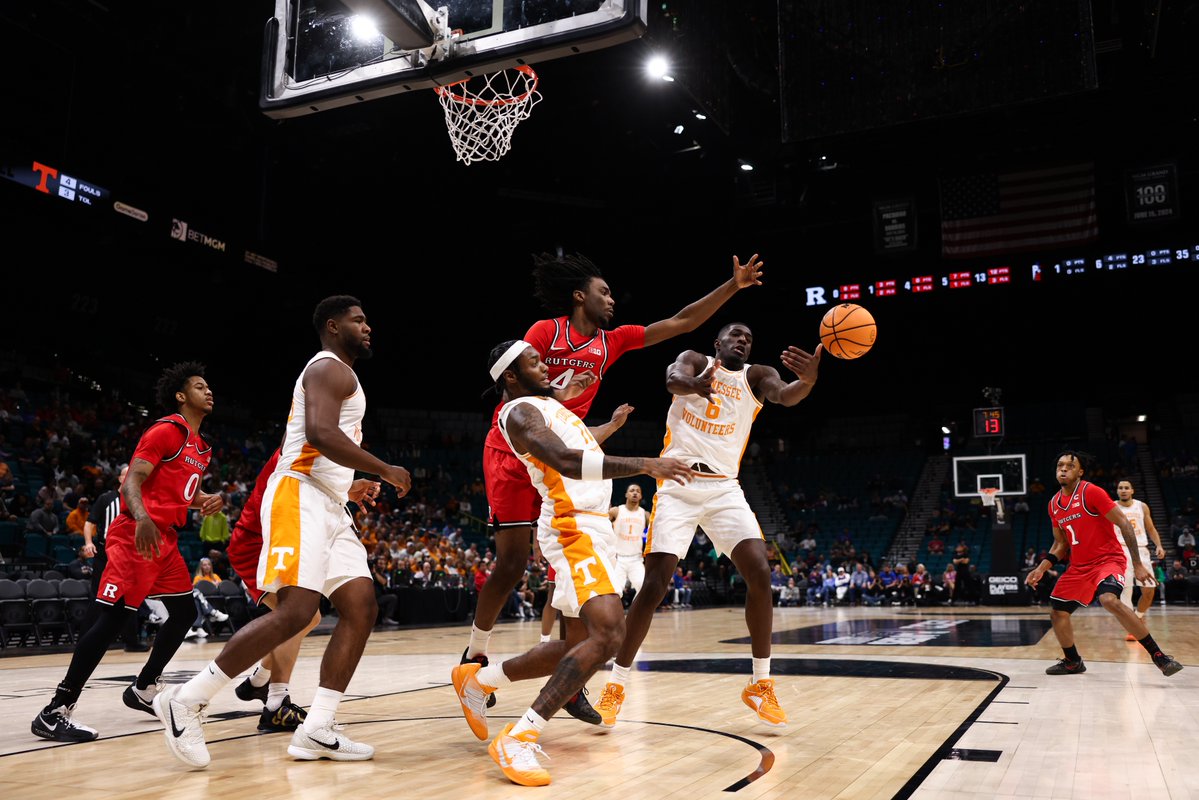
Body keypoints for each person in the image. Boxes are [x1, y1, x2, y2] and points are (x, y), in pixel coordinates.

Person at [464, 250, 764, 722]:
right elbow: (519, 383)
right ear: (579, 296)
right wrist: (558, 397)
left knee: (584, 621)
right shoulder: (545, 334)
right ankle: (475, 655)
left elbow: (681, 321)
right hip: (526, 446)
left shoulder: (612, 341)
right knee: (512, 559)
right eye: (604, 292)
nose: (612, 300)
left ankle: (566, 682)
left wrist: (733, 286)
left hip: (575, 450)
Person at [153, 295, 412, 768]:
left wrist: (350, 484)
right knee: (297, 612)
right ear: (333, 327)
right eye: (358, 320)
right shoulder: (329, 368)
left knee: (361, 607)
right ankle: (187, 699)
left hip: (329, 502)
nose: (368, 326)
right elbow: (317, 434)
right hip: (299, 497)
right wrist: (385, 468)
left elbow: (323, 451)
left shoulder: (343, 376)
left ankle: (318, 728)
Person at [450, 340, 695, 786]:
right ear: (510, 376)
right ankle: (520, 735)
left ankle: (480, 681)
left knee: (575, 650)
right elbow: (565, 460)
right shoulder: (521, 413)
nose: (545, 366)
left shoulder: (550, 409)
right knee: (610, 633)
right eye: (534, 362)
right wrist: (646, 464)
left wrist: (609, 425)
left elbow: (583, 447)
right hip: (573, 526)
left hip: (592, 525)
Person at [595, 322, 823, 730]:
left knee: (760, 572)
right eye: (734, 335)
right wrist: (694, 384)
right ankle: (616, 683)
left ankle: (761, 683)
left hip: (724, 489)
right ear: (717, 343)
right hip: (679, 483)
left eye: (749, 337)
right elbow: (673, 379)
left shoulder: (757, 375)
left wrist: (807, 381)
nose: (742, 340)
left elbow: (785, 396)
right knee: (654, 586)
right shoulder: (695, 361)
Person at [31, 362, 223, 742]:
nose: (209, 391)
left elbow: (179, 492)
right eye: (200, 387)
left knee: (184, 612)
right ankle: (55, 709)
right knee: (112, 618)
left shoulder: (202, 448)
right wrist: (142, 517)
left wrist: (203, 500)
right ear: (181, 396)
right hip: (137, 534)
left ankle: (144, 688)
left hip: (164, 539)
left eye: (209, 386)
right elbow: (134, 479)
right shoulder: (167, 430)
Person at [1024, 450, 1182, 677]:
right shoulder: (1054, 505)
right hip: (1079, 567)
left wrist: (1136, 564)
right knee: (1058, 612)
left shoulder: (1091, 492)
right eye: (1060, 465)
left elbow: (1125, 525)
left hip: (1108, 560)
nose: (1064, 469)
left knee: (1108, 599)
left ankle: (1159, 656)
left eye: (1070, 466)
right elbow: (1060, 545)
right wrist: (1040, 568)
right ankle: (1072, 661)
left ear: (1080, 472)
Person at [81, 465, 145, 651]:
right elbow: (89, 523)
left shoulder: (138, 500)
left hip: (129, 556)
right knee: (99, 596)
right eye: (126, 475)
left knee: (129, 597)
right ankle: (86, 639)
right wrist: (88, 542)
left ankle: (131, 641)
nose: (130, 478)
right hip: (105, 554)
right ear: (119, 478)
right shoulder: (106, 499)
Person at [1113, 479, 1165, 640]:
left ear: (1132, 490)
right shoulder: (1112, 506)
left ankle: (1139, 616)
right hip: (1120, 550)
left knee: (1149, 590)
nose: (1123, 490)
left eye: (1126, 488)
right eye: (1120, 488)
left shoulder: (1141, 506)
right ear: (1117, 491)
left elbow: (1150, 528)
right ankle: (1133, 627)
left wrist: (1159, 545)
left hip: (1141, 551)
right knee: (1125, 591)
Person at [608, 482, 648, 603]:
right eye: (632, 490)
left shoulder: (645, 514)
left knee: (643, 587)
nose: (635, 493)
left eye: (638, 491)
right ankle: (616, 617)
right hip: (618, 559)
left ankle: (635, 614)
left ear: (641, 496)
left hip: (636, 559)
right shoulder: (616, 511)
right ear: (626, 494)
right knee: (616, 590)